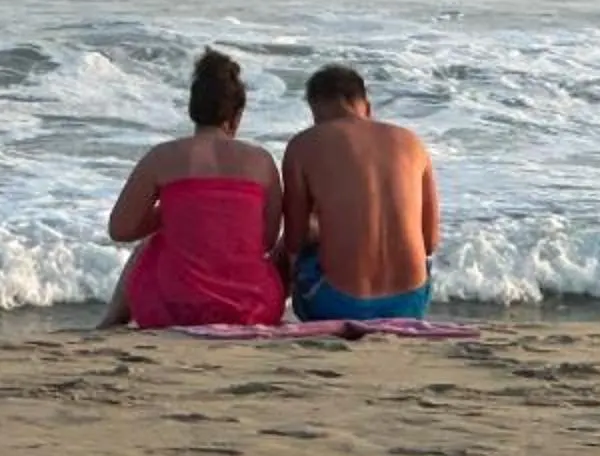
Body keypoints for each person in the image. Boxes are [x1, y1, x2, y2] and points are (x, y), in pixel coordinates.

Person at [100, 48, 287, 329]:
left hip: (175, 307)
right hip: (252, 309)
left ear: (193, 109)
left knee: (151, 244)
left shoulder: (162, 157)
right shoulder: (261, 161)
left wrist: (171, 213)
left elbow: (120, 229)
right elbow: (267, 240)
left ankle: (111, 322)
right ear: (236, 116)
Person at [277, 63, 439, 321]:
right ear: (367, 106)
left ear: (315, 110)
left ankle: (263, 311)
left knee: (296, 243)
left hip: (336, 304)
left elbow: (294, 242)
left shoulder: (304, 144)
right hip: (410, 304)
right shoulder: (412, 142)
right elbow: (430, 242)